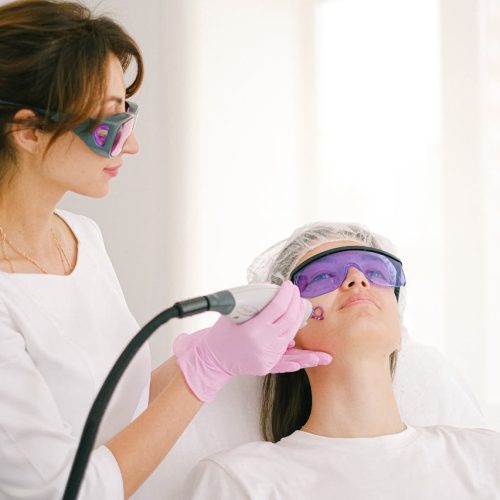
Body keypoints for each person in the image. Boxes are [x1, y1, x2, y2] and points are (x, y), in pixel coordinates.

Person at [0, 2, 333, 498]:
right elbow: (65, 492)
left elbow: (111, 411)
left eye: (127, 116)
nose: (129, 146)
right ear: (27, 130)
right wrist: (205, 373)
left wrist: (205, 352)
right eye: (108, 125)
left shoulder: (79, 236)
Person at [183, 222, 500, 500]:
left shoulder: (485, 459)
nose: (357, 278)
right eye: (323, 274)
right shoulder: (241, 482)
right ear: (283, 328)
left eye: (376, 272)